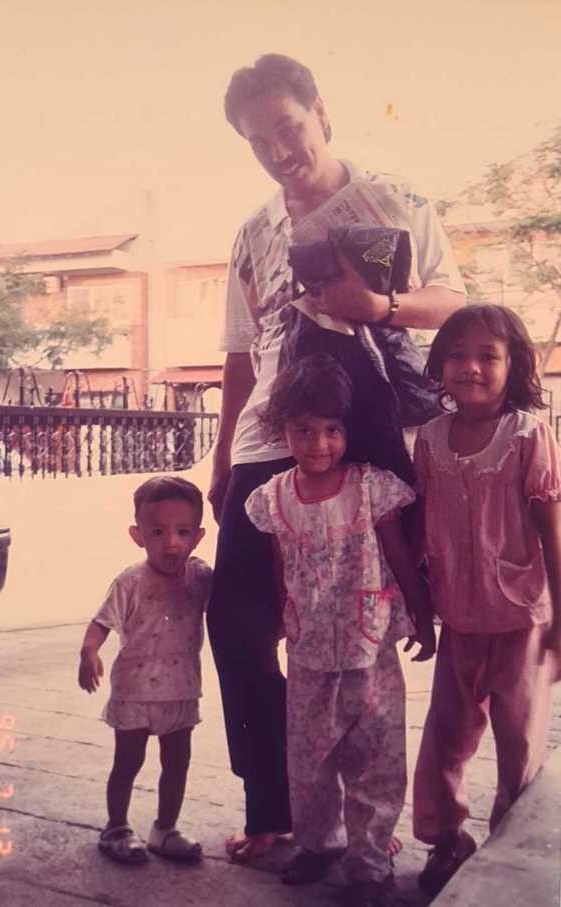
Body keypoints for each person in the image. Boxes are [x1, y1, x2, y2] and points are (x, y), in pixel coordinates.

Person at [207, 52, 466, 862]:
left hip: (363, 428)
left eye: (289, 126)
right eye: (260, 140)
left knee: (364, 634)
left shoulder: (396, 196)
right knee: (238, 624)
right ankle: (276, 809)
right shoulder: (254, 232)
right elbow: (241, 357)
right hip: (265, 440)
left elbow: (458, 300)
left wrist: (379, 305)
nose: (281, 149)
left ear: (321, 112)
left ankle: (373, 827)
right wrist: (220, 460)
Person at [244, 353, 435, 906]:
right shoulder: (273, 498)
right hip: (308, 655)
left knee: (376, 759)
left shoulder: (372, 488)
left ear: (348, 429)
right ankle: (317, 845)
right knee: (309, 759)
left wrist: (422, 614)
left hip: (370, 648)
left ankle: (370, 861)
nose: (319, 444)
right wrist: (282, 618)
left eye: (332, 430)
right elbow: (282, 568)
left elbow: (400, 555)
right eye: (304, 431)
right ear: (283, 430)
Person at [411, 304, 561, 896]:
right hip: (459, 618)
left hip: (522, 618)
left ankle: (509, 847)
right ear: (440, 363)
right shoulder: (429, 438)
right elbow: (422, 528)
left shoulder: (527, 434)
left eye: (487, 356)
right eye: (457, 354)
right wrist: (422, 612)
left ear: (514, 364)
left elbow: (551, 529)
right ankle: (447, 839)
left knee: (518, 739)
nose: (470, 367)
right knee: (446, 733)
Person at [78, 476, 212, 865]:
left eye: (183, 532)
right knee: (128, 762)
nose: (172, 542)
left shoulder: (201, 577)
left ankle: (165, 829)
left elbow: (229, 606)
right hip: (134, 691)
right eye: (158, 531)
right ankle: (116, 828)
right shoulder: (130, 581)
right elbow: (102, 622)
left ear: (198, 536)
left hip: (181, 691)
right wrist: (89, 652)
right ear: (138, 535)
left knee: (177, 763)